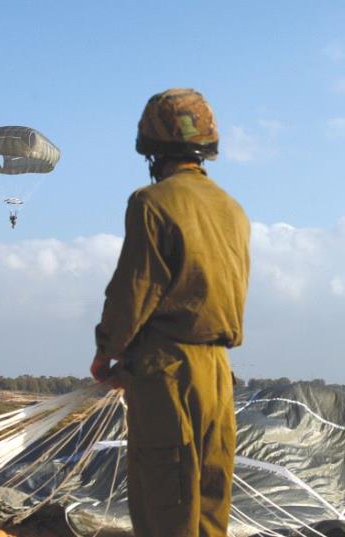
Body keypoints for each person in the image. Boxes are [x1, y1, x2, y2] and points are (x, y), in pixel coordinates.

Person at [91, 88, 250, 537]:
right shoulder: (232, 209)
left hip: (167, 373)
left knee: (167, 505)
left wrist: (107, 352)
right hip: (219, 372)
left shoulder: (152, 203)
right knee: (209, 504)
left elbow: (134, 289)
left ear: (151, 147)